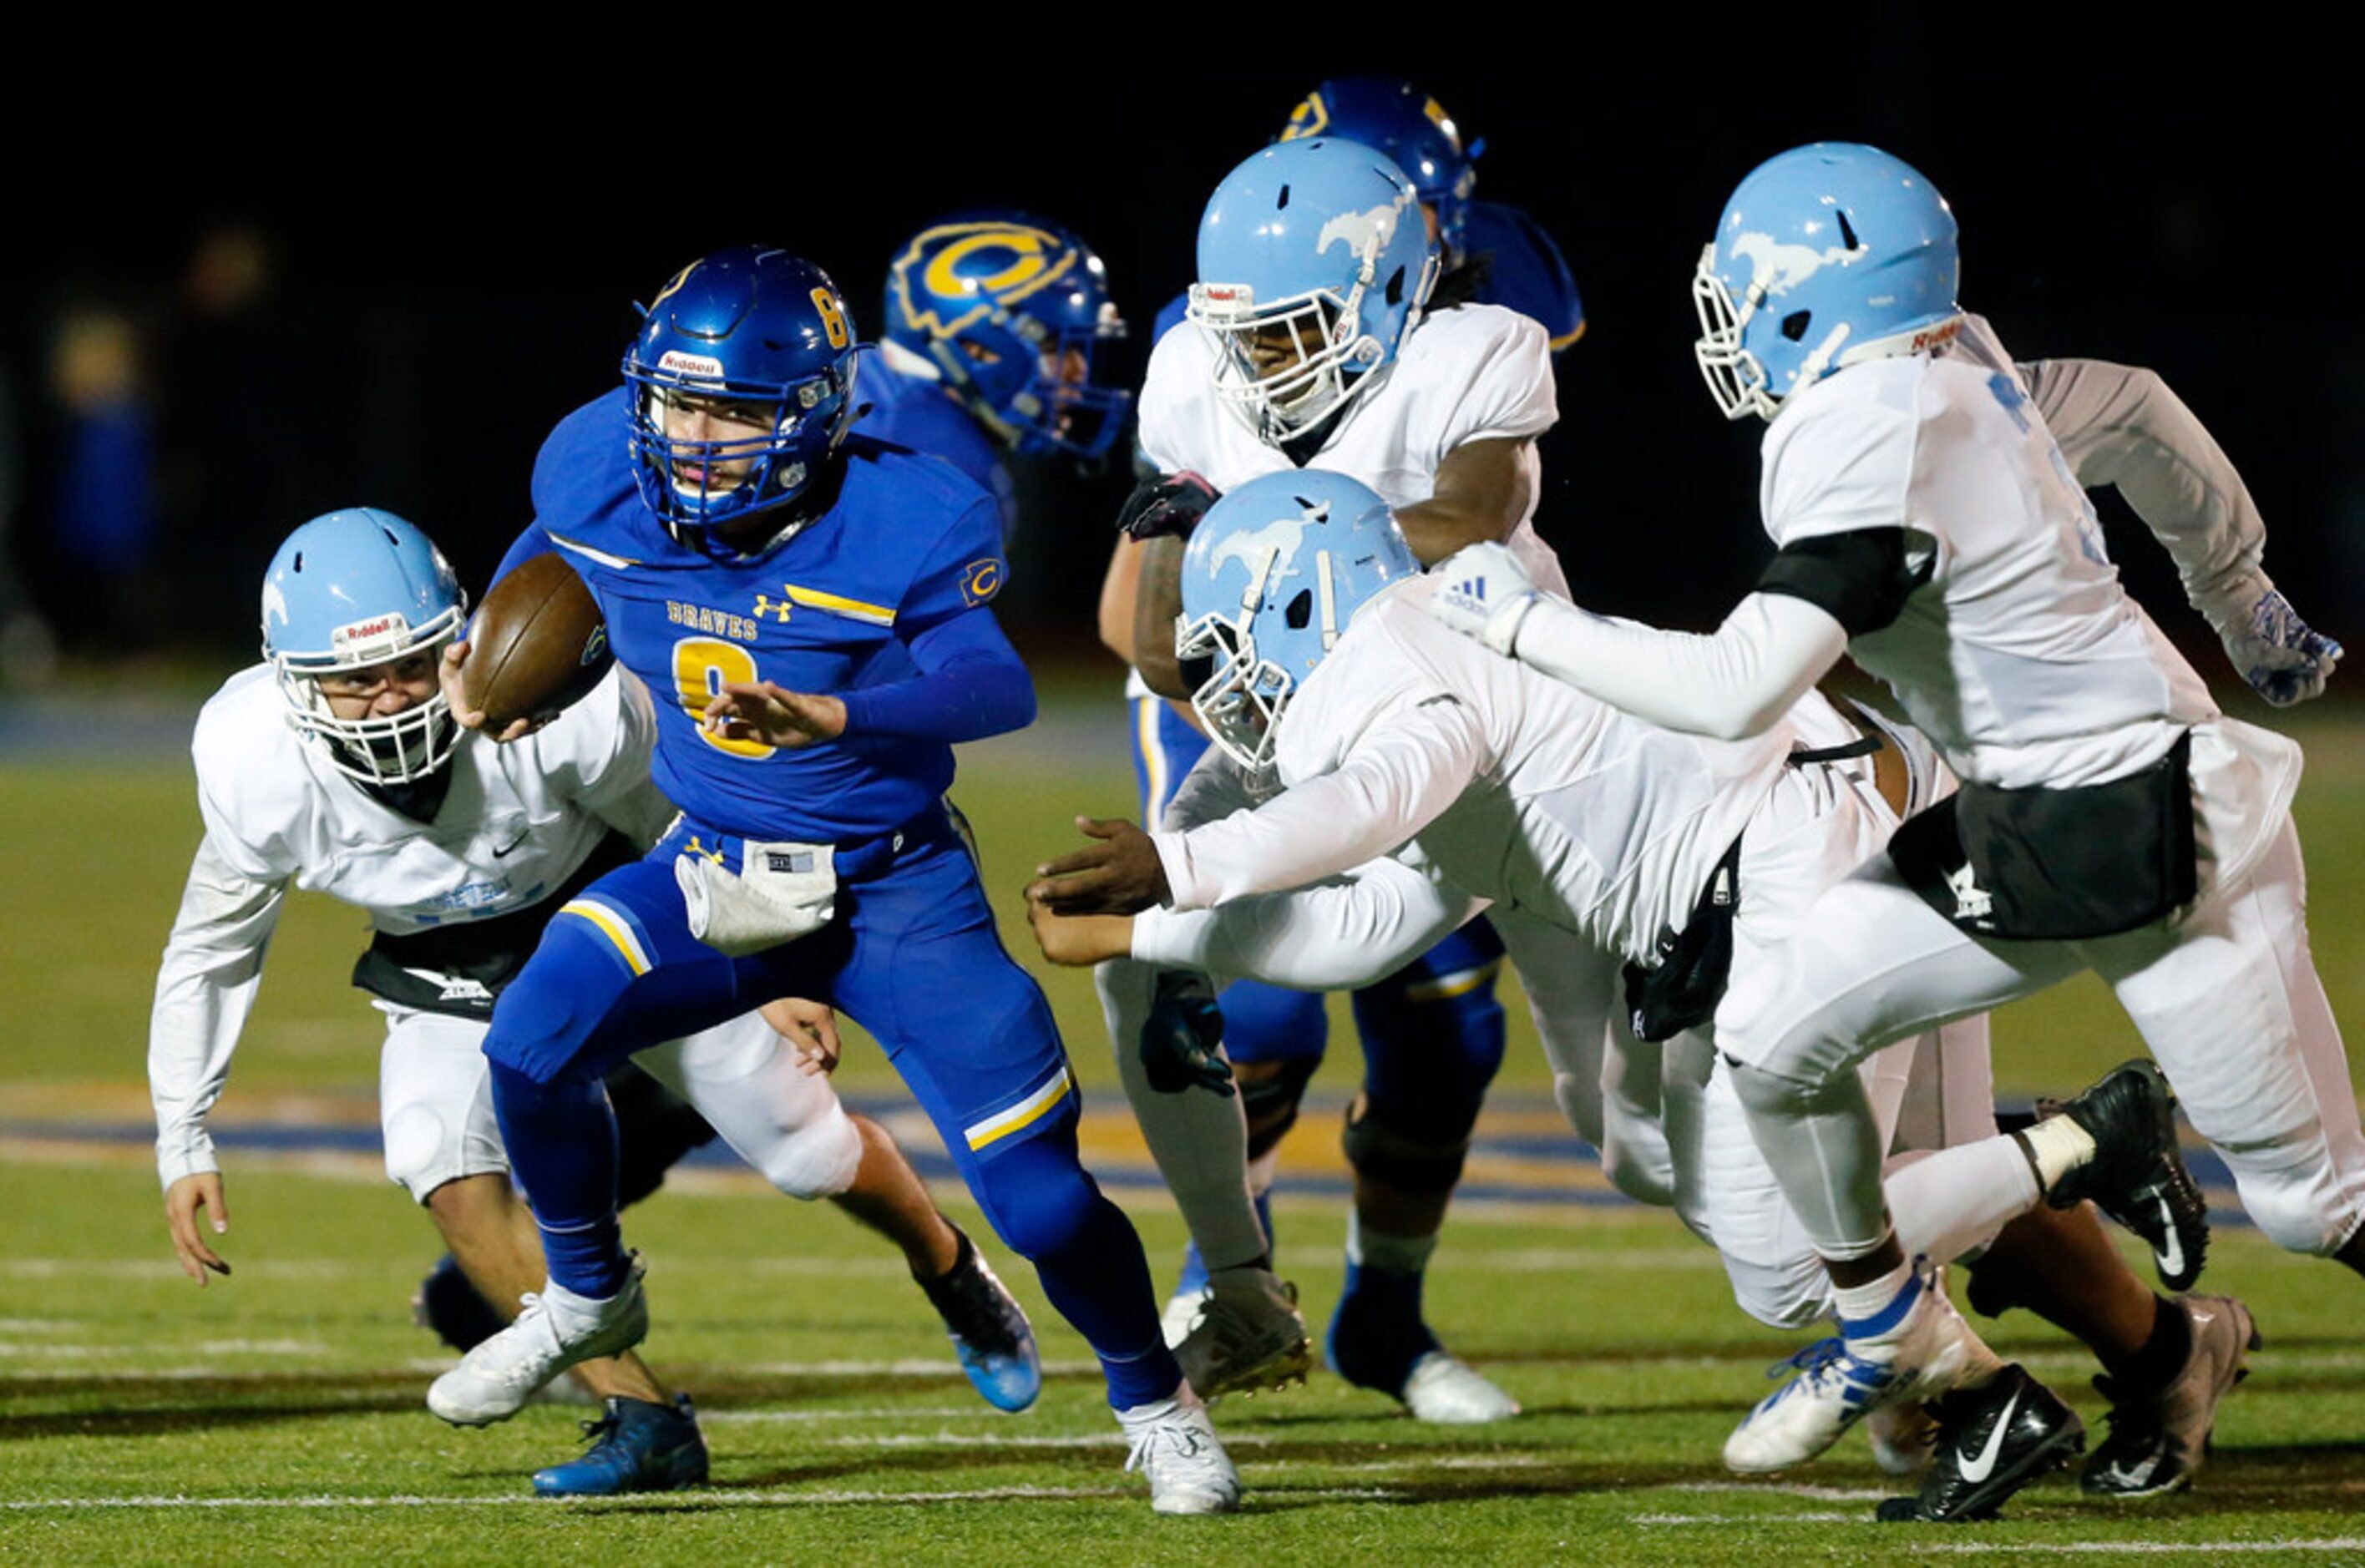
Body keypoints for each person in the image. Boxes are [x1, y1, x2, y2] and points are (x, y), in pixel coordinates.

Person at [1031, 468, 2251, 1519]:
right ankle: (2026, 1382)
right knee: (1836, 1197)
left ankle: (2092, 1136)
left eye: (1236, 645)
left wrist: (1175, 878)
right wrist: (1158, 926)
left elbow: (1370, 803)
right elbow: (1369, 922)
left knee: (1792, 1260)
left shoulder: (1394, 660)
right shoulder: (1403, 656)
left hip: (1798, 860)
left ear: (1301, 600)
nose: (1228, 688)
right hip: (1792, 854)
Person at [1420, 142, 2362, 1478]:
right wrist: (2240, 594)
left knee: (2317, 1202)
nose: (1732, 326)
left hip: (2152, 829)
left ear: (1813, 298)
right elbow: (2141, 410)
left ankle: (1990, 1269)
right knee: (1773, 1029)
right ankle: (1873, 1327)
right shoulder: (1948, 370)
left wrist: (1522, 624)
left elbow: (1740, 686)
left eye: (1744, 295)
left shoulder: (1871, 425)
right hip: (2023, 820)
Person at [428, 246, 1240, 1516]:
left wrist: (837, 709)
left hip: (894, 887)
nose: (693, 439)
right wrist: (504, 656)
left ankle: (1156, 1401)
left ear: (814, 411)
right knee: (531, 1041)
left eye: (735, 413)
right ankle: (589, 1292)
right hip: (721, 866)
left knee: (1039, 1196)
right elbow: (558, 551)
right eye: (678, 403)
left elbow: (996, 684)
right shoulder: (598, 464)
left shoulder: (911, 509)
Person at [149, 506, 1040, 1497]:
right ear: (290, 678)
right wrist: (182, 1135)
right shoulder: (249, 758)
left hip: (610, 917)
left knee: (802, 1145)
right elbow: (211, 947)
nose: (393, 700)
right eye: (357, 680)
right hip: (442, 962)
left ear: (464, 640)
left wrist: (773, 960)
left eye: (413, 665)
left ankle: (949, 1265)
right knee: (435, 1155)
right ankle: (646, 1418)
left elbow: (681, 816)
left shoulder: (550, 700)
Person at [1098, 134, 1564, 1423]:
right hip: (1263, 726)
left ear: (1385, 295)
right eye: (1243, 335)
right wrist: (1191, 590)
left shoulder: (1472, 350)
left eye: (1293, 332)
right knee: (1204, 986)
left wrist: (1265, 546)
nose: (1259, 366)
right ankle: (1229, 1286)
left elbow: (1472, 516)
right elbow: (1157, 640)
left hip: (1460, 725)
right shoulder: (1194, 368)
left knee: (1460, 1036)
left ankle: (1385, 1317)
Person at [1147, 75, 1586, 354]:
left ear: (1450, 209)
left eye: (1397, 210)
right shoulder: (1202, 330)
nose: (1387, 236)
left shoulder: (1504, 258)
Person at [869, 211, 1132, 539]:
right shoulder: (957, 480)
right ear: (977, 349)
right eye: (1053, 348)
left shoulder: (859, 380)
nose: (1080, 375)